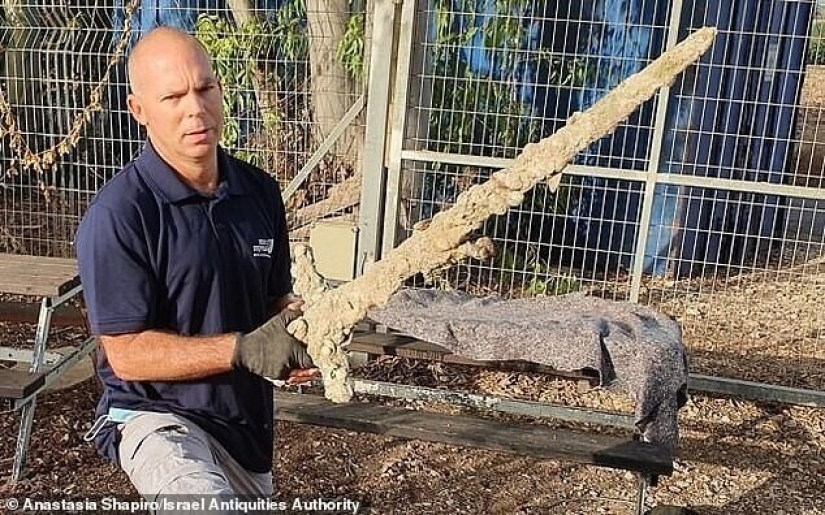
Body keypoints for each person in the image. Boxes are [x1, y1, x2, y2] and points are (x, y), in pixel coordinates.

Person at [76, 26, 318, 506]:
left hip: (244, 429)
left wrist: (302, 334)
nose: (196, 108)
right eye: (173, 96)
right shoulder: (120, 214)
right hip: (154, 417)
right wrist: (242, 349)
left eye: (206, 88)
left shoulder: (260, 192)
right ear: (139, 110)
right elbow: (125, 354)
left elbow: (273, 302)